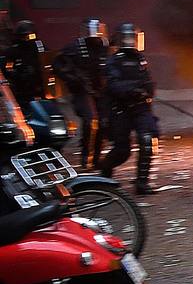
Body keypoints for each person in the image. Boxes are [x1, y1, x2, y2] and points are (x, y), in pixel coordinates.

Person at [99, 23, 160, 195]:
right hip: (121, 109)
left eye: (131, 38)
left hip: (140, 108)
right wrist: (133, 89)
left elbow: (148, 81)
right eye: (126, 38)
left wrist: (147, 91)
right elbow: (113, 85)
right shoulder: (114, 61)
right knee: (122, 150)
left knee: (147, 141)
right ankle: (105, 171)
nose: (129, 42)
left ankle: (142, 183)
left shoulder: (140, 59)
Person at [53, 19, 110, 170]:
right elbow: (57, 64)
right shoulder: (74, 48)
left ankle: (97, 159)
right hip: (82, 91)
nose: (95, 40)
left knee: (104, 123)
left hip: (101, 91)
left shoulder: (106, 47)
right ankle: (86, 157)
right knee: (91, 121)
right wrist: (71, 79)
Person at [2, 18, 52, 109]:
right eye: (25, 36)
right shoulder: (13, 51)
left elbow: (49, 60)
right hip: (21, 91)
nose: (28, 39)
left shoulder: (40, 47)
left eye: (31, 36)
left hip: (40, 87)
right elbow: (7, 68)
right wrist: (17, 74)